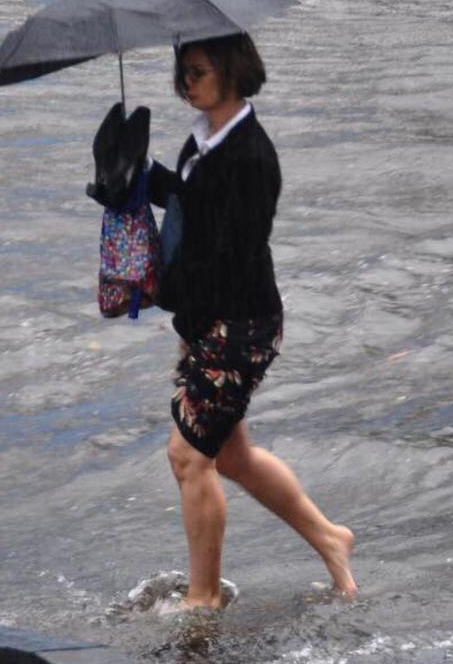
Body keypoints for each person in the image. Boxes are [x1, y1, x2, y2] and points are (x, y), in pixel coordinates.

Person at [146, 32, 357, 609]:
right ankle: (330, 538)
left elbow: (232, 254)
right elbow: (196, 204)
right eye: (182, 73)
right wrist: (142, 181)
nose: (186, 84)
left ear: (233, 70)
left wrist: (169, 290)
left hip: (238, 324)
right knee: (231, 455)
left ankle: (203, 597)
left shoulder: (251, 157)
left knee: (189, 456)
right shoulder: (205, 143)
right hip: (209, 319)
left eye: (197, 72)